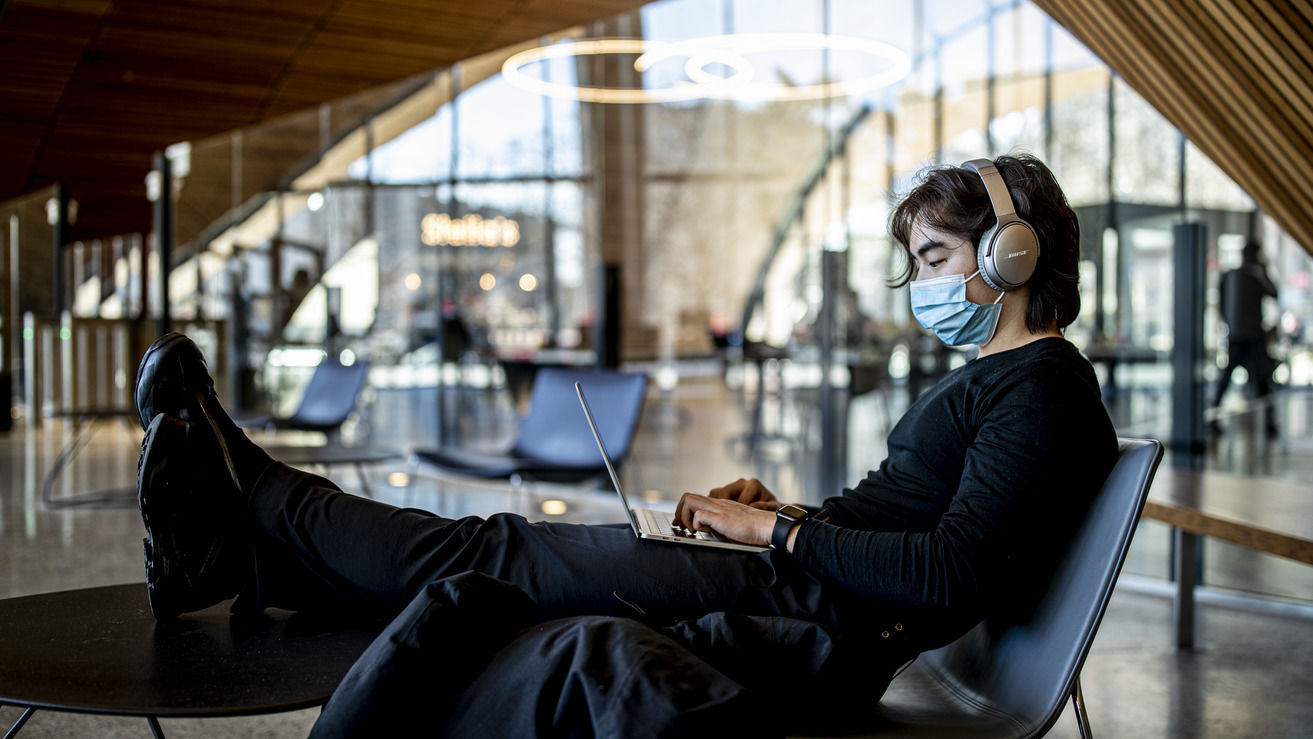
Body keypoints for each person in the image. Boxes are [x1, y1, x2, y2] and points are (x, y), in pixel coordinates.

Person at [132, 154, 1116, 737]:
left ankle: (255, 496)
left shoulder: (1037, 388)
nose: (921, 284)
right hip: (805, 581)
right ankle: (249, 539)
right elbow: (908, 525)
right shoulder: (1004, 379)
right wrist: (781, 513)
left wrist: (773, 539)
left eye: (934, 258)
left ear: (1009, 253)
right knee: (496, 557)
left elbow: (947, 576)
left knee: (496, 551)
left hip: (814, 611)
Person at [1212, 240, 1279, 432]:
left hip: (1243, 335)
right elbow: (1274, 293)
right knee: (1251, 379)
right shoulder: (1247, 277)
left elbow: (1221, 305)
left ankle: (1269, 424)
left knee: (1253, 380)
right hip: (1247, 336)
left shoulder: (1237, 277)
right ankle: (1268, 424)